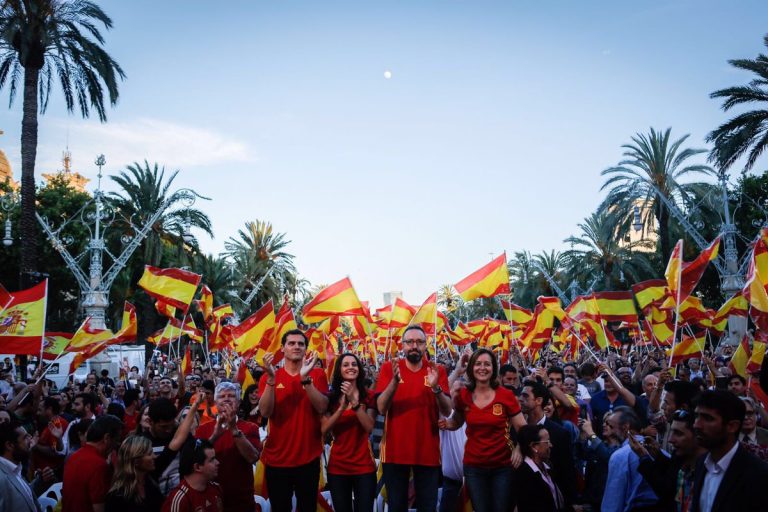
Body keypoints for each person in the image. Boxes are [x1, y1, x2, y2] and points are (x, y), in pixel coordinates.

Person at [375, 325, 452, 512]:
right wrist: (394, 383)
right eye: (409, 342)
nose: (414, 346)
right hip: (395, 452)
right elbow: (381, 407)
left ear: (426, 345)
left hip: (427, 452)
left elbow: (447, 409)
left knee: (427, 506)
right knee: (397, 506)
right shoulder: (389, 368)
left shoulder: (437, 369)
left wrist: (436, 388)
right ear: (403, 345)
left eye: (419, 342)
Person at [439, 348, 525, 512]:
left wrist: (519, 450)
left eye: (487, 364)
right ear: (471, 368)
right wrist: (447, 424)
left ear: (494, 368)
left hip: (502, 466)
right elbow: (457, 420)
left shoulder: (506, 396)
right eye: (478, 364)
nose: (482, 368)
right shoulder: (463, 395)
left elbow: (522, 427)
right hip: (474, 467)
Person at [691, 390, 768, 512]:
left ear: (732, 426)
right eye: (696, 416)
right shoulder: (701, 463)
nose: (697, 425)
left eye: (708, 418)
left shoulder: (758, 475)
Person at [321, 353, 377, 512]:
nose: (351, 367)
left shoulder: (369, 396)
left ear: (359, 369)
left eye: (354, 364)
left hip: (364, 465)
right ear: (339, 370)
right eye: (346, 365)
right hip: (338, 466)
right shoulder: (330, 398)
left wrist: (354, 403)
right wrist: (340, 408)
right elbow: (324, 430)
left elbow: (370, 427)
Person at [196, 382, 260, 512]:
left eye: (231, 396)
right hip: (209, 498)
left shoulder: (250, 428)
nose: (226, 399)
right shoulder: (203, 429)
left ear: (238, 401)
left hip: (241, 501)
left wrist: (233, 429)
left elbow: (252, 458)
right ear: (215, 402)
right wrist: (214, 437)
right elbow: (195, 461)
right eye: (221, 396)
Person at [519, 379, 575, 508]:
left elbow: (566, 470)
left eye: (525, 396)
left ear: (538, 401)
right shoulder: (516, 428)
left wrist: (570, 503)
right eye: (521, 395)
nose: (520, 399)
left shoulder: (559, 433)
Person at [635, 409, 705, 512]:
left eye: (679, 433)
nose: (670, 439)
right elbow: (669, 487)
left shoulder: (710, 473)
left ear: (697, 435)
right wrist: (658, 455)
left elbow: (664, 489)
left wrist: (644, 458)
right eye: (672, 432)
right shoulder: (680, 460)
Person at [601, 406, 659, 512]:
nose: (609, 430)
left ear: (625, 427)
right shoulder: (660, 452)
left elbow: (613, 503)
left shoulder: (620, 456)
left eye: (612, 427)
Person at [62, 414, 124, 512]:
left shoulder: (74, 456)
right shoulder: (99, 465)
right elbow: (99, 508)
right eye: (117, 439)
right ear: (107, 438)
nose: (117, 444)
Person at [106, 435, 164, 511]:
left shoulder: (151, 484)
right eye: (149, 454)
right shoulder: (118, 495)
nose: (154, 457)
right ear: (136, 461)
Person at [162, 439, 223, 512]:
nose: (217, 462)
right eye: (212, 460)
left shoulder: (216, 488)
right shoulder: (179, 500)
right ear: (197, 467)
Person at [516, 424, 566, 512]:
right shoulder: (525, 475)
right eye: (547, 442)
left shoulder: (548, 468)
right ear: (534, 446)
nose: (551, 445)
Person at [0, 421, 41, 512]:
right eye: (25, 438)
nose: (31, 441)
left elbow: (23, 494)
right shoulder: (1, 479)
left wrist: (41, 482)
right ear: (9, 445)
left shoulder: (15, 467)